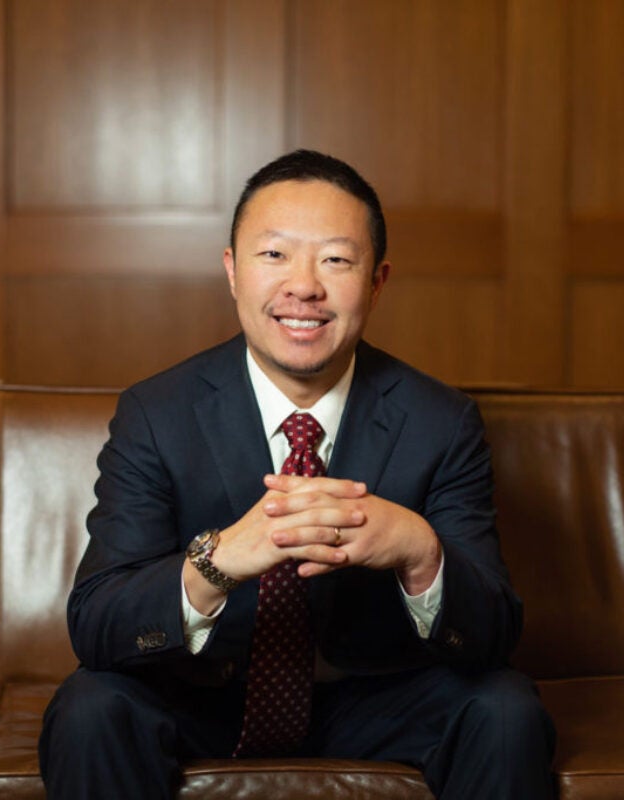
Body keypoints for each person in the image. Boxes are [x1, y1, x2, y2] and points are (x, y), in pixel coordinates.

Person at [39, 149, 555, 799]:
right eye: (274, 255)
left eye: (336, 260)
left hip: (374, 700)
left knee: (506, 709)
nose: (304, 286)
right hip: (201, 700)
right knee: (90, 708)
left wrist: (421, 552)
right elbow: (97, 624)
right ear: (232, 271)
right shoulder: (157, 413)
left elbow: (493, 635)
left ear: (377, 280)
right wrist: (218, 559)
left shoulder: (440, 421)